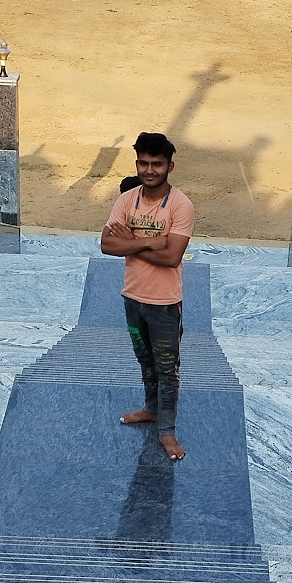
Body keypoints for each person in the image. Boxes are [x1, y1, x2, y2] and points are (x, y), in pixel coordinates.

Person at [100, 132, 194, 463]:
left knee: (167, 369)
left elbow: (171, 258)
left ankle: (166, 431)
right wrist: (149, 241)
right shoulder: (127, 200)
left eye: (156, 164)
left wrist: (132, 239)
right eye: (143, 163)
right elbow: (107, 245)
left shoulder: (181, 206)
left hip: (165, 303)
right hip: (133, 299)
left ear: (170, 166)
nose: (149, 170)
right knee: (145, 360)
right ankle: (152, 410)